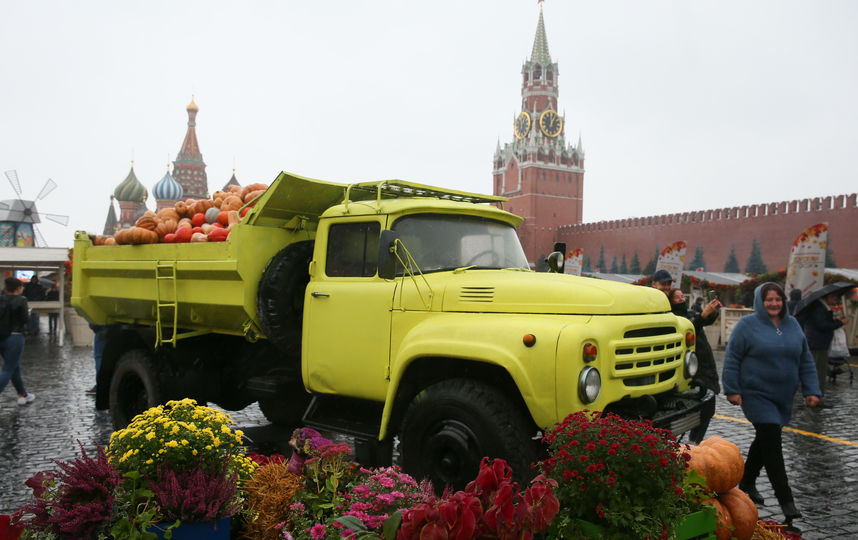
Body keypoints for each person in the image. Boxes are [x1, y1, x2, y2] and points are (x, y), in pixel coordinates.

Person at [722, 282, 821, 526]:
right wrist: (732, 389)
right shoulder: (747, 326)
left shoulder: (793, 325)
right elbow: (733, 356)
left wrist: (811, 390)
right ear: (760, 301)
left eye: (778, 299)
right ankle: (787, 501)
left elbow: (805, 360)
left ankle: (747, 481)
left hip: (783, 396)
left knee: (766, 438)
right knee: (772, 440)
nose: (774, 303)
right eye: (769, 299)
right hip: (756, 393)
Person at [668, 288, 721, 444]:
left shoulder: (690, 314)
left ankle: (694, 442)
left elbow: (703, 321)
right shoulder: (674, 319)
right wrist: (704, 315)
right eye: (677, 297)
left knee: (708, 408)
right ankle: (691, 443)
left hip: (706, 366)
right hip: (693, 372)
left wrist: (713, 311)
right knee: (698, 409)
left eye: (682, 296)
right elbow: (691, 327)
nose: (682, 299)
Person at [801, 292, 849, 404]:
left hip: (818, 343)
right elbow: (822, 325)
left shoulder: (821, 307)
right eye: (835, 298)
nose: (836, 301)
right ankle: (816, 395)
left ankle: (815, 394)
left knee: (819, 369)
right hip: (817, 343)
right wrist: (839, 322)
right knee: (819, 370)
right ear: (828, 297)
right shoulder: (819, 308)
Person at [0, 277, 36, 405]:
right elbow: (25, 319)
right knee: (8, 369)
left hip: (1, 336)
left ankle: (23, 394)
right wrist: (29, 313)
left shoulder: (1, 298)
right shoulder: (21, 300)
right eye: (21, 287)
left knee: (14, 367)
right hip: (15, 337)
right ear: (17, 288)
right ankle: (22, 394)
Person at [86, 324, 109, 394]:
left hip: (102, 333)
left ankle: (100, 386)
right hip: (120, 332)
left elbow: (93, 324)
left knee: (100, 358)